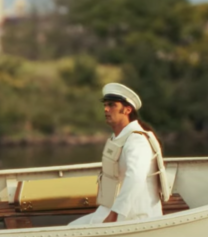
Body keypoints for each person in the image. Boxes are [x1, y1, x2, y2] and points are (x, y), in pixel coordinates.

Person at [69, 83, 166, 226]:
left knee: (72, 231)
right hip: (115, 211)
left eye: (112, 105)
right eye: (105, 105)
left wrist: (115, 214)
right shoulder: (120, 138)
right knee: (72, 228)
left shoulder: (136, 140)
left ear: (127, 110)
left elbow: (135, 178)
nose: (106, 109)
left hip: (135, 216)